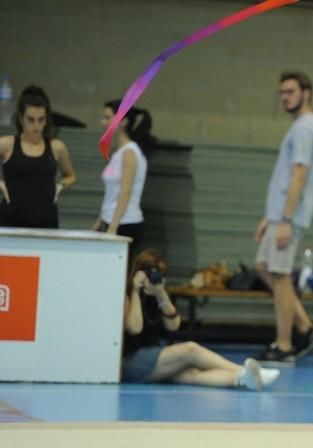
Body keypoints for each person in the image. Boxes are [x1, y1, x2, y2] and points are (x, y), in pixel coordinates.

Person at [122, 249, 280, 389]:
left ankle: (245, 379)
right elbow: (134, 328)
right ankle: (242, 370)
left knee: (192, 374)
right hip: (131, 362)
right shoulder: (127, 294)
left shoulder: (157, 295)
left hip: (154, 356)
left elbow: (173, 326)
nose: (155, 278)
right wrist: (135, 291)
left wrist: (161, 294)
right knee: (191, 349)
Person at [254, 71, 313, 362]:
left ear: (306, 93)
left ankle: (284, 346)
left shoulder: (305, 128)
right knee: (263, 266)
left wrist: (284, 219)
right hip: (279, 215)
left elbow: (299, 175)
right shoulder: (300, 126)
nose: (285, 97)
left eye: (290, 91)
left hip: (288, 217)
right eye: (281, 92)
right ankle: (306, 327)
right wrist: (270, 217)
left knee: (281, 277)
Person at [0, 85, 77, 228]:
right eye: (31, 119)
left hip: (46, 221)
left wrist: (60, 185)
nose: (36, 126)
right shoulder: (6, 144)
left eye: (41, 119)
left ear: (47, 120)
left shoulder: (57, 147)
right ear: (21, 118)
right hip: (10, 221)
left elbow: (70, 175)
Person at [93, 100, 154, 255]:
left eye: (108, 118)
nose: (103, 122)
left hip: (125, 224)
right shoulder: (118, 153)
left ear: (123, 121)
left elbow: (125, 192)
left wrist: (113, 229)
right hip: (111, 221)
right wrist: (100, 223)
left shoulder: (129, 153)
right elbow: (111, 195)